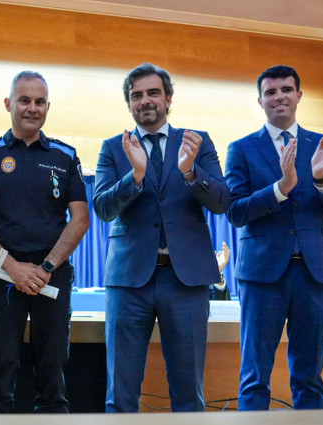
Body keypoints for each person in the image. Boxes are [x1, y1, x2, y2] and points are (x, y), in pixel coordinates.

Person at [93, 62, 229, 412]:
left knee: (188, 392)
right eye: (136, 96)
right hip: (129, 281)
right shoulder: (113, 147)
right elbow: (103, 209)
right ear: (129, 105)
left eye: (153, 93)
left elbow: (220, 201)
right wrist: (135, 176)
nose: (145, 101)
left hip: (185, 280)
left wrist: (189, 172)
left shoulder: (197, 142)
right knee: (120, 393)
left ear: (168, 99)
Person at [224, 65, 323, 410]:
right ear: (260, 100)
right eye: (270, 92)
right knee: (254, 377)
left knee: (310, 378)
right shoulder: (241, 149)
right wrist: (280, 189)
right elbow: (235, 212)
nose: (278, 96)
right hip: (262, 275)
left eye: (286, 89)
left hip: (315, 275)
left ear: (299, 95)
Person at [0, 71, 89, 413]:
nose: (32, 108)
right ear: (8, 104)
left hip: (53, 276)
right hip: (3, 275)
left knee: (52, 374)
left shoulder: (66, 156)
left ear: (48, 106)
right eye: (24, 100)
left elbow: (80, 219)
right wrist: (12, 267)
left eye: (40, 101)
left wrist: (46, 267)